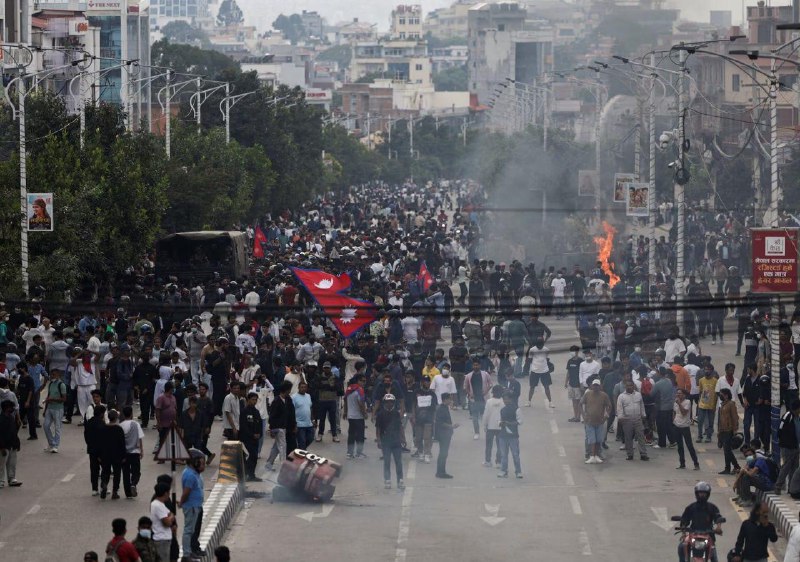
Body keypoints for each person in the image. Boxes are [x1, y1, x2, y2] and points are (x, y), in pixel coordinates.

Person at [678, 482, 723, 562]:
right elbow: (684, 520)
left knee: (714, 556)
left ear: (708, 494)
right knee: (681, 546)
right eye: (700, 493)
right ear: (696, 494)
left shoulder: (712, 507)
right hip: (693, 534)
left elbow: (718, 517)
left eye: (704, 494)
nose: (702, 495)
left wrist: (718, 527)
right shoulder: (691, 507)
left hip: (708, 535)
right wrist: (683, 533)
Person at [179, 448, 207, 560]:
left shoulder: (195, 473)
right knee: (189, 530)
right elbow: (186, 492)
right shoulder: (190, 475)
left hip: (197, 506)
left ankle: (193, 549)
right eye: (201, 462)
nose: (203, 465)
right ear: (194, 462)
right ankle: (187, 553)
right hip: (191, 507)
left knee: (194, 530)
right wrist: (181, 502)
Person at [375, 393, 405, 490]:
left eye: (391, 402)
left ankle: (400, 480)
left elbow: (400, 426)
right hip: (385, 442)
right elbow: (378, 428)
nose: (389, 404)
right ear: (384, 403)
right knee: (387, 461)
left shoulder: (396, 413)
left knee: (398, 462)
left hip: (396, 441)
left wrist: (403, 438)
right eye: (387, 402)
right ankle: (387, 480)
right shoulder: (380, 414)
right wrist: (379, 440)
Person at [617, 379, 649, 461]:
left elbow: (642, 405)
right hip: (627, 420)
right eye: (627, 385)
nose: (629, 387)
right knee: (628, 438)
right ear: (625, 386)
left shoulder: (638, 395)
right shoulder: (621, 396)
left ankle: (643, 454)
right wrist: (620, 418)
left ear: (633, 386)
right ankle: (630, 454)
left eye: (631, 385)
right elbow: (619, 408)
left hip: (638, 419)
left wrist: (643, 415)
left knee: (641, 437)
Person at [265, 381, 294, 471]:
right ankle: (283, 466)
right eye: (289, 390)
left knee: (276, 447)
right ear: (286, 390)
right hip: (278, 427)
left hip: (284, 427)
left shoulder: (288, 399)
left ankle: (269, 463)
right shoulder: (277, 401)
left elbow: (291, 413)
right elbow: (272, 416)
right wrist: (272, 428)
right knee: (282, 446)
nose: (290, 391)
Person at [581, 379, 611, 464]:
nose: (595, 387)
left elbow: (609, 406)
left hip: (600, 422)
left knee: (598, 440)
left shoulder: (604, 395)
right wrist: (583, 416)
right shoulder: (587, 394)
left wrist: (605, 417)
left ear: (600, 386)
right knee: (592, 440)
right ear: (591, 386)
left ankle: (596, 455)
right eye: (594, 385)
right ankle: (591, 456)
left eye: (597, 385)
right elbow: (580, 404)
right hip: (589, 422)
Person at [775, 399, 800, 495]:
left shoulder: (797, 417)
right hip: (787, 447)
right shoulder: (787, 416)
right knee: (786, 468)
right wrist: (785, 443)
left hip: (795, 447)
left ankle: (792, 488)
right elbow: (780, 430)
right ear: (796, 408)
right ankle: (778, 486)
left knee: (794, 468)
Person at [101, 409, 127, 500]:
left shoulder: (103, 428)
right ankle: (115, 492)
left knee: (105, 471)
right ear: (116, 418)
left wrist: (100, 455)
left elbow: (100, 443)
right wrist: (124, 456)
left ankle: (104, 484)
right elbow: (122, 444)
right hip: (117, 455)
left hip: (105, 454)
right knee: (117, 473)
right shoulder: (119, 429)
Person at [120, 405, 144, 499]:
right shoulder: (136, 424)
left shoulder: (121, 425)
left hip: (124, 453)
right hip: (135, 452)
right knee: (136, 471)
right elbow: (140, 438)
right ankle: (133, 483)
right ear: (131, 414)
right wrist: (141, 450)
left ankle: (128, 493)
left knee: (125, 473)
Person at [412, 375, 438, 464]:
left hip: (428, 419)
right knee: (418, 438)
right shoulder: (416, 392)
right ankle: (420, 452)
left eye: (427, 381)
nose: (426, 383)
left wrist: (434, 419)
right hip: (418, 419)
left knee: (427, 438)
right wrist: (413, 416)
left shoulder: (432, 394)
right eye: (424, 381)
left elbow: (435, 407)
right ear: (421, 382)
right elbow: (413, 405)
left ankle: (427, 454)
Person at [464, 358, 491, 440]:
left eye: (477, 365)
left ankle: (487, 430)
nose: (476, 366)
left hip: (483, 399)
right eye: (474, 365)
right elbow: (465, 387)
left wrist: (486, 391)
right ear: (472, 366)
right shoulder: (468, 376)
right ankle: (476, 433)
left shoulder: (485, 374)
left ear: (480, 365)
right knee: (475, 418)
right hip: (473, 400)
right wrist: (469, 394)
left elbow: (490, 384)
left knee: (485, 416)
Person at [497, 390, 523, 478]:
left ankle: (518, 471)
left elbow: (520, 421)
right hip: (503, 435)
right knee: (504, 455)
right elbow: (500, 420)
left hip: (513, 436)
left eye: (506, 399)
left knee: (515, 454)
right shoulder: (502, 410)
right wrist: (500, 423)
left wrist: (509, 423)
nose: (505, 401)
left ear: (510, 399)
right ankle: (504, 470)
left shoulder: (517, 409)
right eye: (504, 399)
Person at [673, 388, 700, 470]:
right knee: (679, 446)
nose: (678, 395)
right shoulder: (675, 402)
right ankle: (682, 463)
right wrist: (673, 420)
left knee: (689, 446)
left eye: (680, 393)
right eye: (677, 393)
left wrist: (679, 404)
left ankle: (696, 463)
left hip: (685, 427)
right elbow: (674, 412)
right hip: (677, 426)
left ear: (684, 395)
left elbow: (684, 412)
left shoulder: (687, 402)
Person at [239, 392, 263, 482]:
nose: (254, 401)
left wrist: (259, 434)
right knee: (252, 455)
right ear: (248, 400)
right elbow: (244, 426)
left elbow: (260, 424)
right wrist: (251, 434)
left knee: (255, 457)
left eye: (256, 400)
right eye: (253, 399)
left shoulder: (256, 412)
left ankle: (251, 475)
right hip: (247, 438)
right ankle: (246, 473)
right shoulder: (244, 411)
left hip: (256, 439)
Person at [42, 367, 66, 453]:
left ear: (58, 375)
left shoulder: (61, 385)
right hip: (49, 408)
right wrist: (45, 410)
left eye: (54, 374)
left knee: (57, 428)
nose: (52, 376)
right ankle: (51, 443)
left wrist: (52, 400)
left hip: (58, 409)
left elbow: (64, 399)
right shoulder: (51, 384)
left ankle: (55, 446)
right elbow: (48, 397)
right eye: (51, 374)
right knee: (45, 426)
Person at [525, 338, 554, 408]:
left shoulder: (546, 350)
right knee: (532, 387)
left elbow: (547, 358)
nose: (540, 347)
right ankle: (529, 401)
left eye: (541, 345)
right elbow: (530, 359)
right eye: (539, 345)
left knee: (547, 387)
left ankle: (550, 402)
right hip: (535, 371)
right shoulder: (532, 350)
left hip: (545, 371)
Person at [718, 388, 741, 475]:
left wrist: (735, 429)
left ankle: (733, 467)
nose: (720, 396)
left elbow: (735, 417)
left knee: (727, 450)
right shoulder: (722, 404)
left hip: (729, 430)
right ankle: (731, 467)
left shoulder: (731, 404)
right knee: (726, 450)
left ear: (726, 395)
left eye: (721, 394)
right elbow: (720, 419)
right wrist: (719, 431)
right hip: (723, 430)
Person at [83, 404, 106, 495]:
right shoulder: (102, 424)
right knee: (104, 468)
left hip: (92, 450)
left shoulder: (89, 422)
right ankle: (103, 485)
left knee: (94, 469)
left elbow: (86, 435)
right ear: (101, 414)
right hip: (101, 451)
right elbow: (104, 438)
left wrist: (89, 445)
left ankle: (94, 489)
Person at [435, 393, 458, 479]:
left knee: (444, 453)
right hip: (443, 434)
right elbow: (440, 423)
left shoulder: (445, 408)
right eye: (449, 399)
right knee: (443, 453)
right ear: (445, 399)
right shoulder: (441, 409)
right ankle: (440, 472)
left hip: (446, 434)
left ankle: (441, 471)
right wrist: (451, 426)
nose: (451, 401)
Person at [344, 374, 367, 459]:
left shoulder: (349, 389)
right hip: (358, 417)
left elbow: (345, 400)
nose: (364, 383)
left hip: (351, 416)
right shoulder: (360, 390)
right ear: (358, 381)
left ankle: (349, 453)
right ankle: (359, 453)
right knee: (360, 435)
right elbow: (361, 403)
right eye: (362, 381)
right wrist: (364, 413)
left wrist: (345, 412)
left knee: (351, 435)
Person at [151, 482, 176, 562]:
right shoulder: (158, 505)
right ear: (165, 493)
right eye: (168, 492)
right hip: (162, 539)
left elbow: (170, 514)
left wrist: (170, 516)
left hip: (164, 539)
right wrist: (171, 517)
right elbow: (167, 522)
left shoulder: (160, 504)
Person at [0, 399, 22, 487]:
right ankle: (1, 481)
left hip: (13, 445)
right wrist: (1, 448)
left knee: (12, 464)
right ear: (6, 408)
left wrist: (17, 443)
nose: (13, 409)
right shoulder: (1, 420)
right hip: (4, 446)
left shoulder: (11, 418)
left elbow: (14, 432)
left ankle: (12, 478)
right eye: (11, 407)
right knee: (1, 464)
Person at [481, 385, 503, 468]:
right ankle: (499, 462)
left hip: (490, 426)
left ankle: (488, 461)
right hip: (500, 426)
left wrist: (485, 424)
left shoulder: (489, 402)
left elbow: (486, 414)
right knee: (500, 445)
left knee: (488, 445)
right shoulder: (503, 402)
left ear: (492, 392)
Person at [292, 381, 315, 450]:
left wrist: (313, 420)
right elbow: (291, 411)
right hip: (299, 425)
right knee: (302, 442)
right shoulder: (294, 397)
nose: (303, 389)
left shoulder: (308, 396)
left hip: (309, 424)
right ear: (298, 388)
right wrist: (294, 424)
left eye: (305, 387)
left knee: (311, 439)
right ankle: (301, 454)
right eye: (302, 387)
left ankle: (299, 450)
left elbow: (310, 408)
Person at [565, 345, 583, 422]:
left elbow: (582, 372)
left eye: (574, 351)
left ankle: (579, 417)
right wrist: (566, 382)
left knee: (579, 401)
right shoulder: (570, 361)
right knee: (573, 401)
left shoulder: (581, 361)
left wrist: (581, 383)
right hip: (571, 384)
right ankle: (575, 416)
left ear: (577, 352)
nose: (572, 353)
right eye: (571, 351)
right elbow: (568, 372)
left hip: (578, 384)